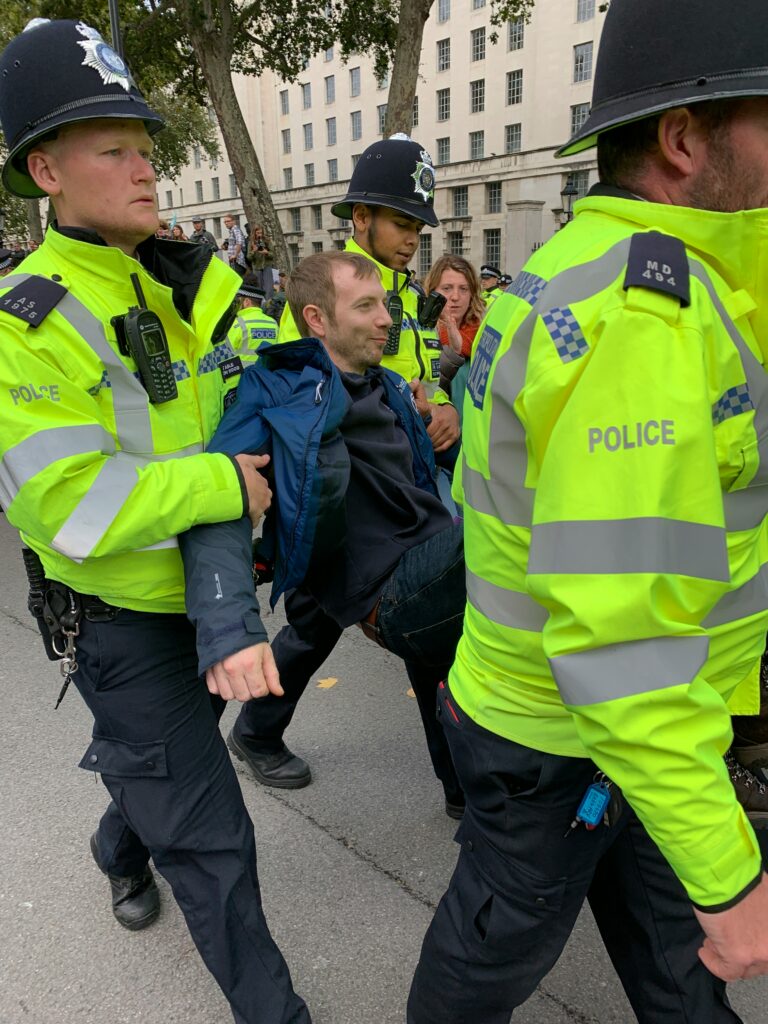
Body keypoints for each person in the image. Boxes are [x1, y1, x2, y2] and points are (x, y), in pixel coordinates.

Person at [408, 2, 768, 1022]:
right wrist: (733, 883)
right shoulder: (640, 318)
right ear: (686, 139)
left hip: (629, 725)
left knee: (673, 963)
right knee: (493, 952)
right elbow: (621, 642)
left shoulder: (596, 270)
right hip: (568, 733)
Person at [0, 19, 310, 1024]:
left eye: (146, 143)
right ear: (45, 169)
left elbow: (277, 351)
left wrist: (222, 296)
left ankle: (116, 840)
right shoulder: (24, 321)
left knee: (164, 779)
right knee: (216, 846)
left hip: (209, 602)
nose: (146, 167)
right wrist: (226, 481)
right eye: (113, 148)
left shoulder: (173, 270)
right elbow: (73, 506)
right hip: (121, 625)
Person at [180, 251, 466, 818]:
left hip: (421, 558)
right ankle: (126, 838)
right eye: (366, 306)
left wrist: (448, 422)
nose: (386, 318)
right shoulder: (274, 388)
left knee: (447, 663)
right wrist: (228, 628)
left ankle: (468, 797)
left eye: (384, 303)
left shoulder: (386, 384)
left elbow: (419, 478)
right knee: (509, 538)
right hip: (383, 590)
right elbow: (219, 496)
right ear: (316, 318)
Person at [226, 136, 463, 795]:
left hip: (397, 492)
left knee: (378, 631)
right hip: (345, 505)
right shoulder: (328, 288)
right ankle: (246, 733)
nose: (412, 237)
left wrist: (439, 406)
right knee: (321, 627)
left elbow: (417, 378)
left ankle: (459, 784)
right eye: (401, 222)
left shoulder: (402, 290)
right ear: (360, 219)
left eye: (419, 225)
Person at [423, 255, 485, 405]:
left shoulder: (485, 336)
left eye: (463, 289)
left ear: (472, 294)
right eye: (447, 288)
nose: (455, 296)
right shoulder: (421, 334)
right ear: (433, 291)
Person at [227, 271, 278, 364]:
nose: (237, 304)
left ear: (247, 302)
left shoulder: (236, 325)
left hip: (243, 377)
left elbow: (225, 358)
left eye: (239, 301)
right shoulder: (273, 324)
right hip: (268, 377)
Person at [247, 224, 274, 297]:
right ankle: (260, 303)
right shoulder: (251, 242)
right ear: (254, 233)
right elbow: (249, 258)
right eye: (258, 233)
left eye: (261, 233)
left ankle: (269, 304)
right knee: (259, 288)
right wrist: (253, 251)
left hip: (266, 266)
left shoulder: (267, 241)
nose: (260, 235)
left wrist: (267, 253)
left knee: (269, 288)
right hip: (257, 267)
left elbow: (273, 255)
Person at [224, 212, 247, 276]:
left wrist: (235, 255)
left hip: (237, 261)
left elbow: (239, 243)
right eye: (225, 222)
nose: (226, 223)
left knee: (238, 281)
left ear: (233, 221)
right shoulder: (232, 230)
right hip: (234, 261)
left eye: (228, 221)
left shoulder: (235, 229)